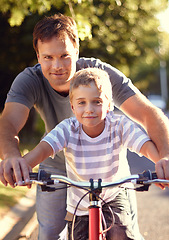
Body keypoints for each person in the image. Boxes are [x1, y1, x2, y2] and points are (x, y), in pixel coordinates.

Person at [0, 13, 169, 240]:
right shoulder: (30, 79)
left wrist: (164, 158)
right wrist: (13, 158)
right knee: (49, 233)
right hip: (55, 165)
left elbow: (149, 114)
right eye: (48, 57)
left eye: (64, 56)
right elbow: (8, 122)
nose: (57, 66)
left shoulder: (98, 77)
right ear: (38, 56)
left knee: (124, 232)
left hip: (108, 168)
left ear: (77, 52)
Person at [23, 67, 161, 240]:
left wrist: (161, 161)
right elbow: (43, 148)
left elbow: (144, 145)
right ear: (72, 107)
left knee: (121, 235)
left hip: (113, 196)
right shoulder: (68, 129)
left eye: (97, 101)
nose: (89, 109)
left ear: (109, 104)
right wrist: (23, 166)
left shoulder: (119, 126)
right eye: (82, 103)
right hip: (79, 205)